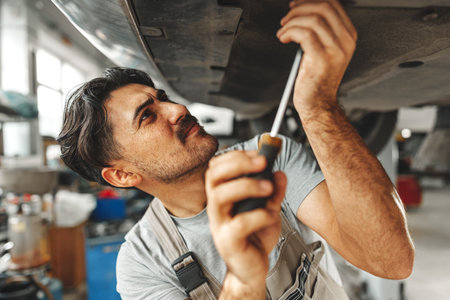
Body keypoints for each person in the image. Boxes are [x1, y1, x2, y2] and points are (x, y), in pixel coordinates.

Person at [58, 0, 414, 299]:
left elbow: (390, 261)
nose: (178, 110)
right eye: (148, 116)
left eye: (162, 99)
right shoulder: (143, 263)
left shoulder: (271, 160)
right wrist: (244, 279)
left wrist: (318, 106)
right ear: (121, 174)